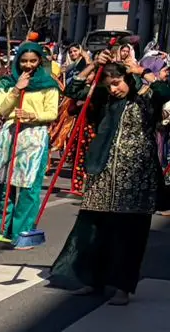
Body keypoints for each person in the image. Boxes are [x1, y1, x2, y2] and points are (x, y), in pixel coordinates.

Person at [49, 62, 170, 304]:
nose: (114, 89)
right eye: (109, 84)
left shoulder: (146, 97)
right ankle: (91, 280)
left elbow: (165, 92)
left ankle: (122, 287)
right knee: (93, 229)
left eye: (117, 83)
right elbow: (73, 91)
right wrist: (93, 64)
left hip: (136, 177)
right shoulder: (105, 99)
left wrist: (142, 72)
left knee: (129, 233)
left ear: (128, 79)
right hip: (102, 172)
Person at [0, 41, 61, 248]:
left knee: (29, 186)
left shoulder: (48, 84)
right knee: (6, 185)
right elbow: (1, 110)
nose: (28, 65)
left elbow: (52, 113)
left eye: (32, 61)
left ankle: (22, 231)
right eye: (24, 61)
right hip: (11, 135)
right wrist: (16, 90)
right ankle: (2, 229)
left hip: (35, 137)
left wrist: (31, 115)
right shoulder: (6, 82)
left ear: (39, 62)